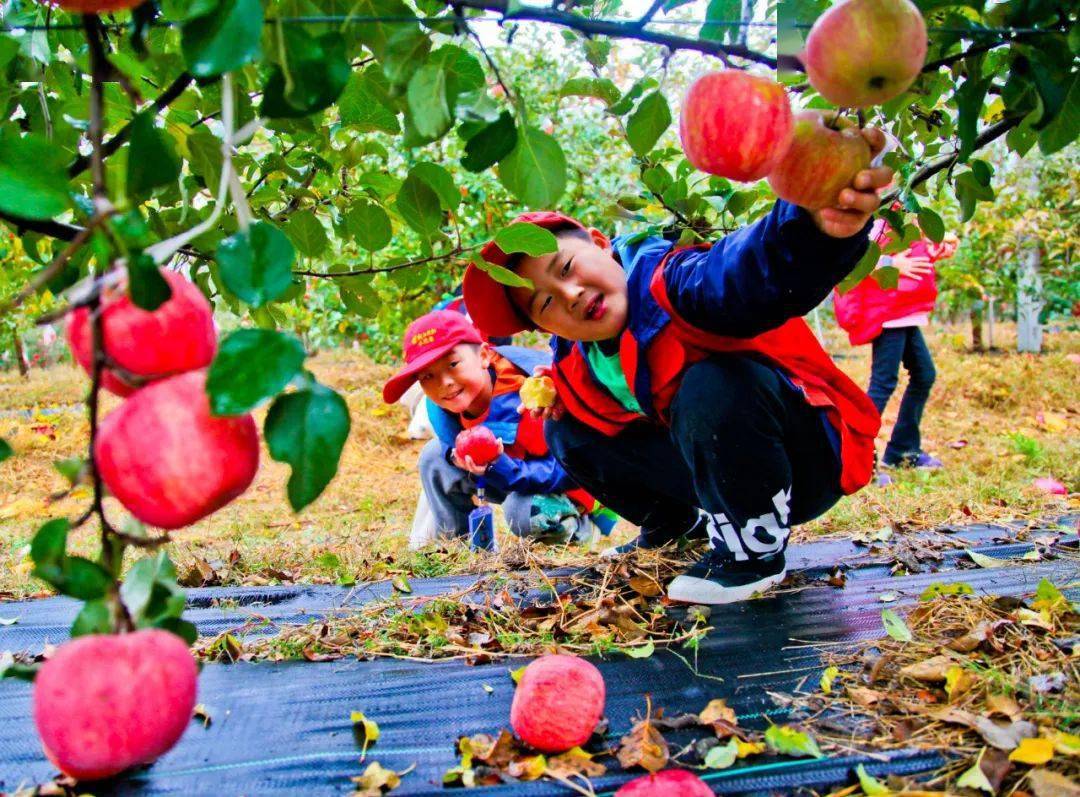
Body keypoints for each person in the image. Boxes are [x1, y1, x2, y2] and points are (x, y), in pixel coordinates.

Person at [461, 129, 892, 604]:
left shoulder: (675, 282)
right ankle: (674, 526)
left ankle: (754, 553)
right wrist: (552, 393)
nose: (570, 295)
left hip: (807, 460)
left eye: (565, 269)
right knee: (567, 427)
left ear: (601, 244)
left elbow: (744, 273)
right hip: (724, 478)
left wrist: (809, 221)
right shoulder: (576, 361)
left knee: (710, 383)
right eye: (545, 304)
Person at [382, 310, 612, 546]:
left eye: (453, 364)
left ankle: (582, 531)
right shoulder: (442, 409)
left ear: (483, 355)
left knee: (523, 512)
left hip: (568, 486)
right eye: (427, 376)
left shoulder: (528, 403)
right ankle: (457, 547)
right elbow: (448, 449)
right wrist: (457, 457)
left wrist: (505, 469)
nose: (445, 383)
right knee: (434, 458)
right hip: (503, 474)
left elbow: (571, 468)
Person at [833, 221, 958, 479]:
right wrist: (891, 265)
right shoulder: (873, 210)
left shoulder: (901, 210)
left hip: (904, 310)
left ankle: (902, 451)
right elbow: (851, 257)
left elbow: (907, 249)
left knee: (924, 375)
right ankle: (854, 454)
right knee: (883, 382)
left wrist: (935, 248)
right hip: (888, 311)